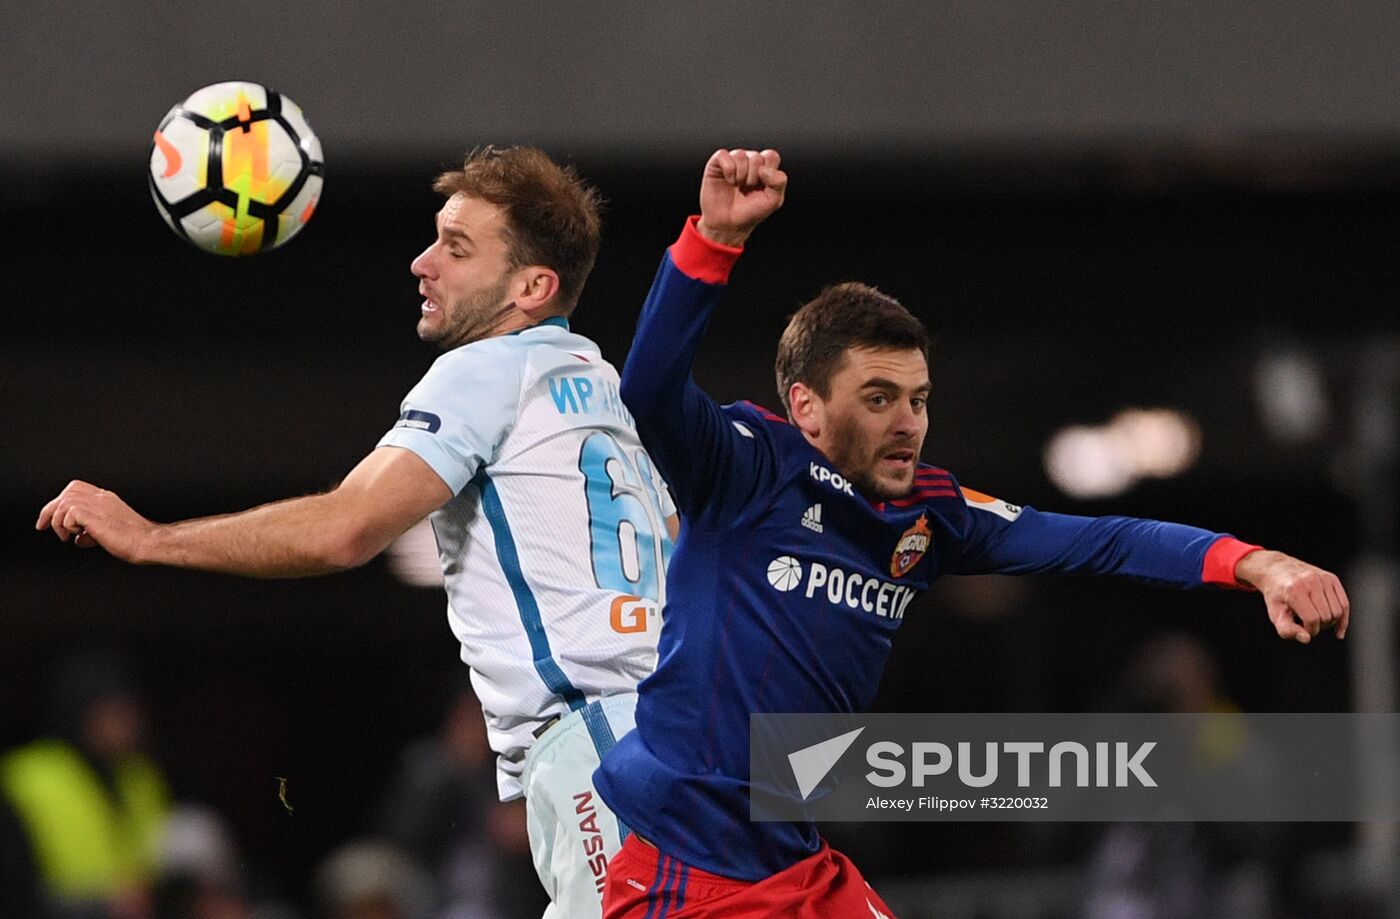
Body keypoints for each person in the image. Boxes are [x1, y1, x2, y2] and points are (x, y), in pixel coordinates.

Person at [592, 148, 1350, 917]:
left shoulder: (931, 515)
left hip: (794, 865)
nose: (909, 424)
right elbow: (650, 387)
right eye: (880, 397)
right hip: (688, 874)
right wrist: (713, 240)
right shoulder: (745, 470)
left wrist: (1260, 564)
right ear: (807, 407)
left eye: (918, 399)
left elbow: (1102, 540)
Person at [36, 146, 676, 917]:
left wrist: (152, 537)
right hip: (666, 727)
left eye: (456, 246)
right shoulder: (603, 390)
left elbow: (345, 529)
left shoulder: (486, 370)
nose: (422, 261)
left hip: (602, 743)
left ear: (532, 286)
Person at [0, 649, 171, 919]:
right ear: (81, 712)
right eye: (113, 712)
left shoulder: (141, 778)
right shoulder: (28, 777)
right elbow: (14, 891)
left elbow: (157, 864)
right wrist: (99, 906)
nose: (128, 724)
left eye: (130, 710)